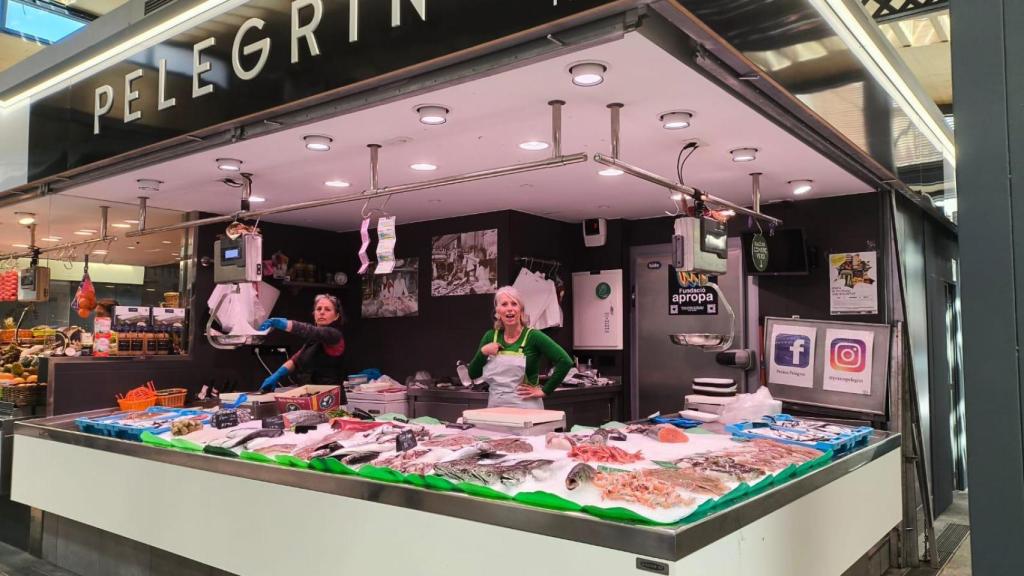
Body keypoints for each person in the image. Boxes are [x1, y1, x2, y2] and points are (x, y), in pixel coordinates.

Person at [467, 286, 573, 409]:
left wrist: (545, 391)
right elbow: (473, 374)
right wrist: (483, 352)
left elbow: (565, 361)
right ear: (497, 311)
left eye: (514, 304)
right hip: (496, 408)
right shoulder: (490, 336)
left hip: (526, 406)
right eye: (504, 304)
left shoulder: (533, 336)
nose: (510, 309)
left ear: (521, 310)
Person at [258, 294, 346, 400]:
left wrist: (282, 323)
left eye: (327, 309)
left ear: (336, 316)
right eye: (318, 309)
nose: (322, 312)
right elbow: (295, 360)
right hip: (310, 398)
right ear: (314, 314)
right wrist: (276, 375)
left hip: (330, 401)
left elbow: (308, 330)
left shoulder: (334, 335)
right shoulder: (312, 341)